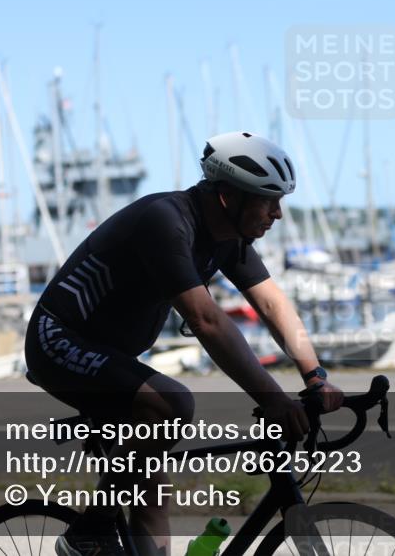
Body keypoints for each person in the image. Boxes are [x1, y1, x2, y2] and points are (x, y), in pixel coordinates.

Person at [24, 131, 344, 556]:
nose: (277, 214)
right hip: (58, 341)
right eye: (269, 200)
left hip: (110, 356)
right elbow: (207, 320)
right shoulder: (165, 221)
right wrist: (272, 398)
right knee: (174, 404)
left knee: (151, 490)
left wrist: (315, 376)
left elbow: (271, 303)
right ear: (229, 197)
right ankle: (90, 528)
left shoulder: (228, 238)